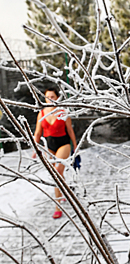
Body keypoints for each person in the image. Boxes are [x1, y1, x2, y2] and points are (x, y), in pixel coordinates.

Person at [33, 87, 77, 219]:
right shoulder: (41, 114)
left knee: (58, 171)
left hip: (64, 144)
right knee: (56, 174)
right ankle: (62, 192)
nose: (50, 99)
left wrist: (75, 146)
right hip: (49, 146)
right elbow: (38, 132)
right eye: (47, 97)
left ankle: (58, 207)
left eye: (52, 97)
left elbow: (70, 130)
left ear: (57, 98)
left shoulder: (63, 112)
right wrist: (35, 148)